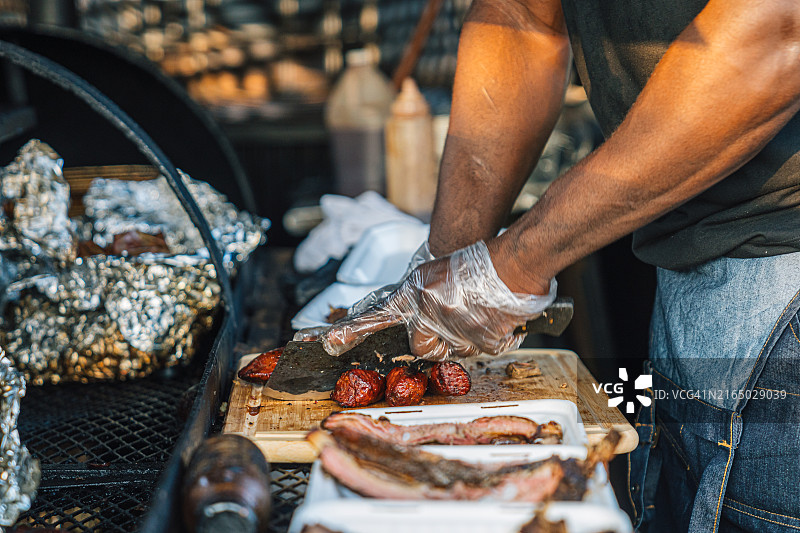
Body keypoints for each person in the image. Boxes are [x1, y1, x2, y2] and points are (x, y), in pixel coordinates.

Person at [320, 1, 800, 531]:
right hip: (688, 285)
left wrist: (510, 266)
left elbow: (775, 32)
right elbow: (519, 18)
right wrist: (449, 263)